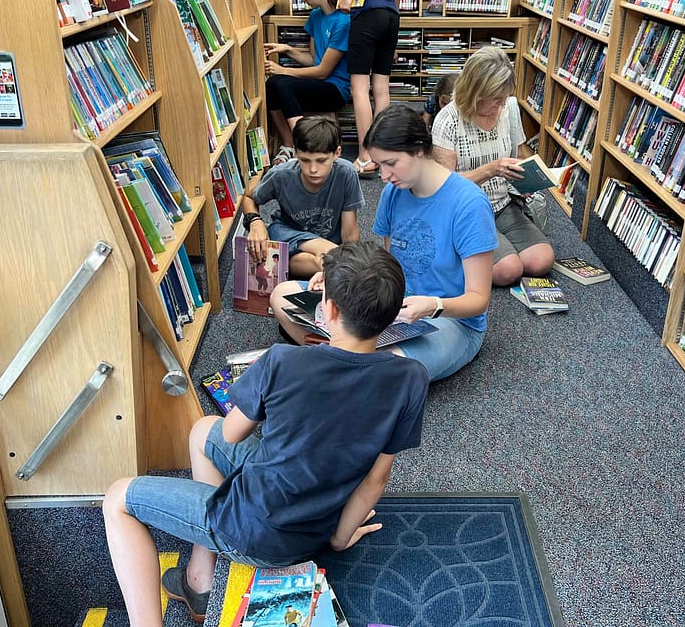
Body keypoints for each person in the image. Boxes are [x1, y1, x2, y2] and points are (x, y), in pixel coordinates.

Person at [102, 242, 427, 627]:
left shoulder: (283, 360)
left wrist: (262, 394)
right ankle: (199, 580)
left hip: (257, 531)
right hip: (317, 526)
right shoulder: (411, 378)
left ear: (330, 309)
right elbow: (378, 476)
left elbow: (234, 432)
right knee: (201, 432)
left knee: (117, 499)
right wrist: (339, 540)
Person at [273, 105, 496, 383]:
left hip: (448, 321)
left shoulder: (469, 205)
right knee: (283, 294)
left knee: (385, 369)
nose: (384, 176)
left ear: (418, 151)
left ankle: (336, 359)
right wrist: (336, 275)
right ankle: (345, 361)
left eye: (391, 163)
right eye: (380, 166)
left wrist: (432, 305)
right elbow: (387, 267)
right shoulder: (394, 192)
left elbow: (478, 300)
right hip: (390, 307)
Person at [431, 46, 555, 287]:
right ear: (475, 91)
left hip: (503, 204)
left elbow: (519, 156)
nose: (500, 105)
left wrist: (527, 179)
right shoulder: (447, 120)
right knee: (508, 270)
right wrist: (491, 169)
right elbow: (444, 187)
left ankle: (482, 253)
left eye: (503, 98)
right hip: (465, 212)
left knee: (541, 261)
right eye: (495, 99)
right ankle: (454, 250)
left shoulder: (509, 107)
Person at [337, 0, 409, 177]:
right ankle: (384, 152)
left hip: (367, 15)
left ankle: (366, 156)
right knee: (382, 88)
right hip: (391, 18)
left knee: (359, 87)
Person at [242, 117, 363, 278]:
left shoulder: (346, 173)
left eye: (321, 161)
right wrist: (255, 222)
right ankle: (337, 263)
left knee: (323, 261)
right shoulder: (281, 174)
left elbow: (350, 232)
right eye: (305, 160)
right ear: (296, 153)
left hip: (325, 246)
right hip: (289, 234)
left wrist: (352, 257)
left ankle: (328, 265)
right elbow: (248, 198)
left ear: (337, 153)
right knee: (333, 257)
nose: (313, 169)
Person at [264, 0, 351, 165]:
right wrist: (287, 49)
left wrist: (284, 70)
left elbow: (322, 71)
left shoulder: (343, 21)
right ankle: (289, 145)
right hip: (318, 85)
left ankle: (304, 144)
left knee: (281, 83)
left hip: (335, 89)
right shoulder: (315, 16)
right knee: (272, 85)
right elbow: (313, 59)